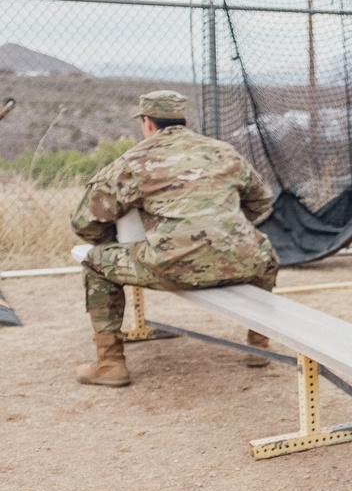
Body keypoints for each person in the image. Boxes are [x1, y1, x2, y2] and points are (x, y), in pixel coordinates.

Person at [71, 90, 279, 387]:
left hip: (172, 268)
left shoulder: (134, 161)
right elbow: (261, 201)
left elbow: (85, 221)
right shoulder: (223, 151)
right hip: (242, 264)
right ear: (183, 120)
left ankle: (110, 363)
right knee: (266, 253)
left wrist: (111, 241)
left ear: (147, 122)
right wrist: (221, 229)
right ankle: (259, 345)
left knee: (94, 263)